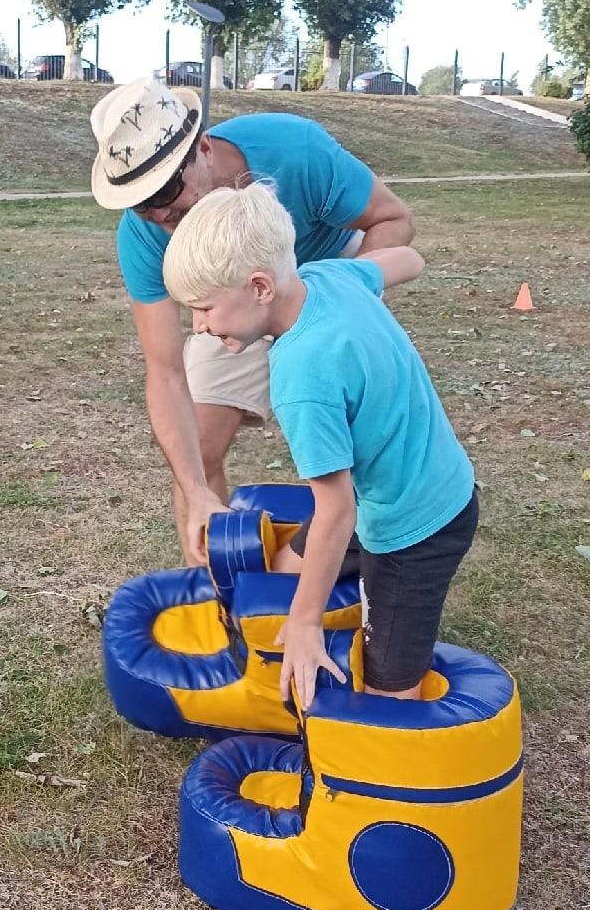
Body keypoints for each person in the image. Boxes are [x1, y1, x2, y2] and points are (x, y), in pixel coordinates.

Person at [161, 180, 477, 709]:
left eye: (206, 309)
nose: (199, 328)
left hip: (414, 526)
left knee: (388, 695)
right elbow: (409, 260)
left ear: (260, 287)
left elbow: (336, 510)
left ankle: (379, 678)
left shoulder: (301, 374)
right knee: (287, 566)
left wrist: (305, 623)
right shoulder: (326, 277)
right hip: (389, 491)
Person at [89, 77, 414, 565]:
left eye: (167, 189)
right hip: (230, 303)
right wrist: (195, 488)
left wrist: (338, 299)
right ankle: (216, 599)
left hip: (321, 281)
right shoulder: (145, 234)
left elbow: (393, 220)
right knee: (195, 452)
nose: (159, 213)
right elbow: (165, 371)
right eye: (140, 202)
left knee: (365, 448)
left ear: (203, 147)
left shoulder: (295, 149)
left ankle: (374, 569)